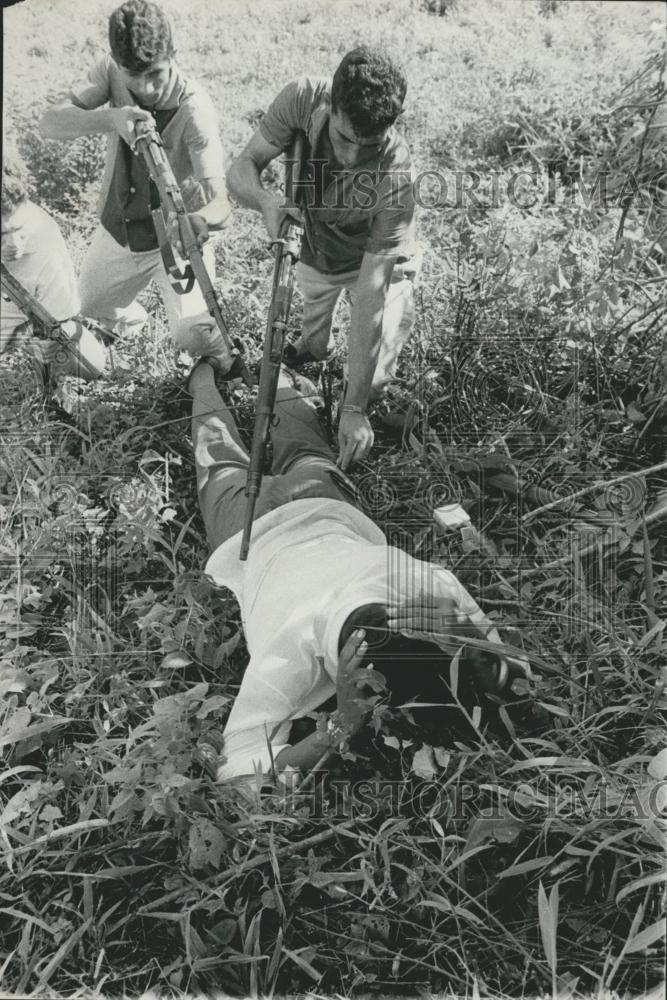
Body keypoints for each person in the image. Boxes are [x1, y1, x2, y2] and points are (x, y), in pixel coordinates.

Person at [187, 350, 527, 786]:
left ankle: (241, 372)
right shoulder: (288, 651)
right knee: (218, 453)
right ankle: (208, 379)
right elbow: (243, 773)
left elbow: (239, 777)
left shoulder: (431, 588)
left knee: (296, 442)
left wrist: (471, 637)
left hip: (319, 503)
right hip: (259, 530)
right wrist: (341, 723)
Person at [226, 45, 419, 471]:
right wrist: (265, 201)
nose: (351, 156)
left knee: (372, 382)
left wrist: (353, 409)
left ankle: (358, 395)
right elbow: (241, 168)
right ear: (330, 105)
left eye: (366, 145)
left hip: (377, 265)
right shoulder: (302, 98)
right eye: (344, 138)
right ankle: (315, 346)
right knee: (314, 342)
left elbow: (370, 294)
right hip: (316, 249)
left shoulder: (397, 177)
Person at [38, 0, 231, 360]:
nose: (147, 88)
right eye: (134, 76)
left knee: (194, 335)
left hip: (178, 240)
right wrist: (111, 118)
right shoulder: (109, 70)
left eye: (156, 73)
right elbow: (50, 123)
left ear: (173, 52)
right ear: (117, 63)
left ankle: (226, 359)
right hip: (122, 230)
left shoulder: (195, 108)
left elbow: (222, 202)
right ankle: (131, 322)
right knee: (85, 305)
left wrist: (199, 220)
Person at [1, 150, 106, 385]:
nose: (13, 244)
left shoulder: (47, 246)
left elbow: (59, 321)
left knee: (91, 364)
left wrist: (38, 342)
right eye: (1, 235)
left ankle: (117, 319)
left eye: (18, 230)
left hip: (23, 320)